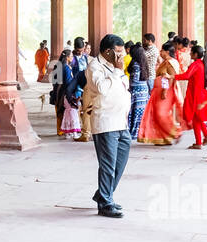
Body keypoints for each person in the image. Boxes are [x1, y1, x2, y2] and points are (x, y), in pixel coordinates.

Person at [83, 34, 132, 219]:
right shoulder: (94, 66)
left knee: (120, 163)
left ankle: (104, 195)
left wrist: (119, 71)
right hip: (106, 122)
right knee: (108, 164)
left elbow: (123, 86)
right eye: (119, 52)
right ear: (108, 52)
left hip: (121, 121)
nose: (122, 56)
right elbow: (102, 88)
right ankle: (105, 203)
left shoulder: (115, 67)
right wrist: (118, 71)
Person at [137, 43, 183, 145]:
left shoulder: (171, 62)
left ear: (167, 52)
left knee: (161, 114)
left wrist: (165, 90)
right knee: (156, 114)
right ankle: (163, 138)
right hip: (158, 91)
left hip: (165, 92)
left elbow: (172, 77)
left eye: (162, 50)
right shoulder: (165, 62)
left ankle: (176, 132)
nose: (160, 52)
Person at [177, 44, 207, 150]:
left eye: (191, 52)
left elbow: (186, 76)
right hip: (201, 93)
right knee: (197, 118)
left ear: (195, 54)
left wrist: (172, 77)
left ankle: (204, 138)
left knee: (196, 118)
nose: (189, 54)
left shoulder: (196, 64)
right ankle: (201, 140)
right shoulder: (202, 64)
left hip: (196, 94)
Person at [126, 43, 149, 140]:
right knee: (140, 113)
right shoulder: (143, 63)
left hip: (136, 91)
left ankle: (133, 132)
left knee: (134, 112)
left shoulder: (135, 64)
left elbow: (134, 79)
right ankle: (140, 132)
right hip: (144, 90)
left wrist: (128, 86)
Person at [58, 60, 83, 140]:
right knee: (73, 115)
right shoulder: (67, 69)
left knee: (67, 114)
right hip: (69, 95)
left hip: (65, 95)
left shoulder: (63, 67)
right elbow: (69, 83)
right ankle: (74, 133)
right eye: (71, 56)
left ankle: (68, 133)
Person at [49, 49, 70, 133]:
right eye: (71, 56)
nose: (72, 58)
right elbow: (68, 81)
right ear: (67, 57)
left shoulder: (57, 65)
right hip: (62, 92)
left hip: (56, 91)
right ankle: (64, 130)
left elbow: (54, 81)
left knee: (59, 112)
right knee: (64, 112)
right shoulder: (66, 67)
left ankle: (60, 130)